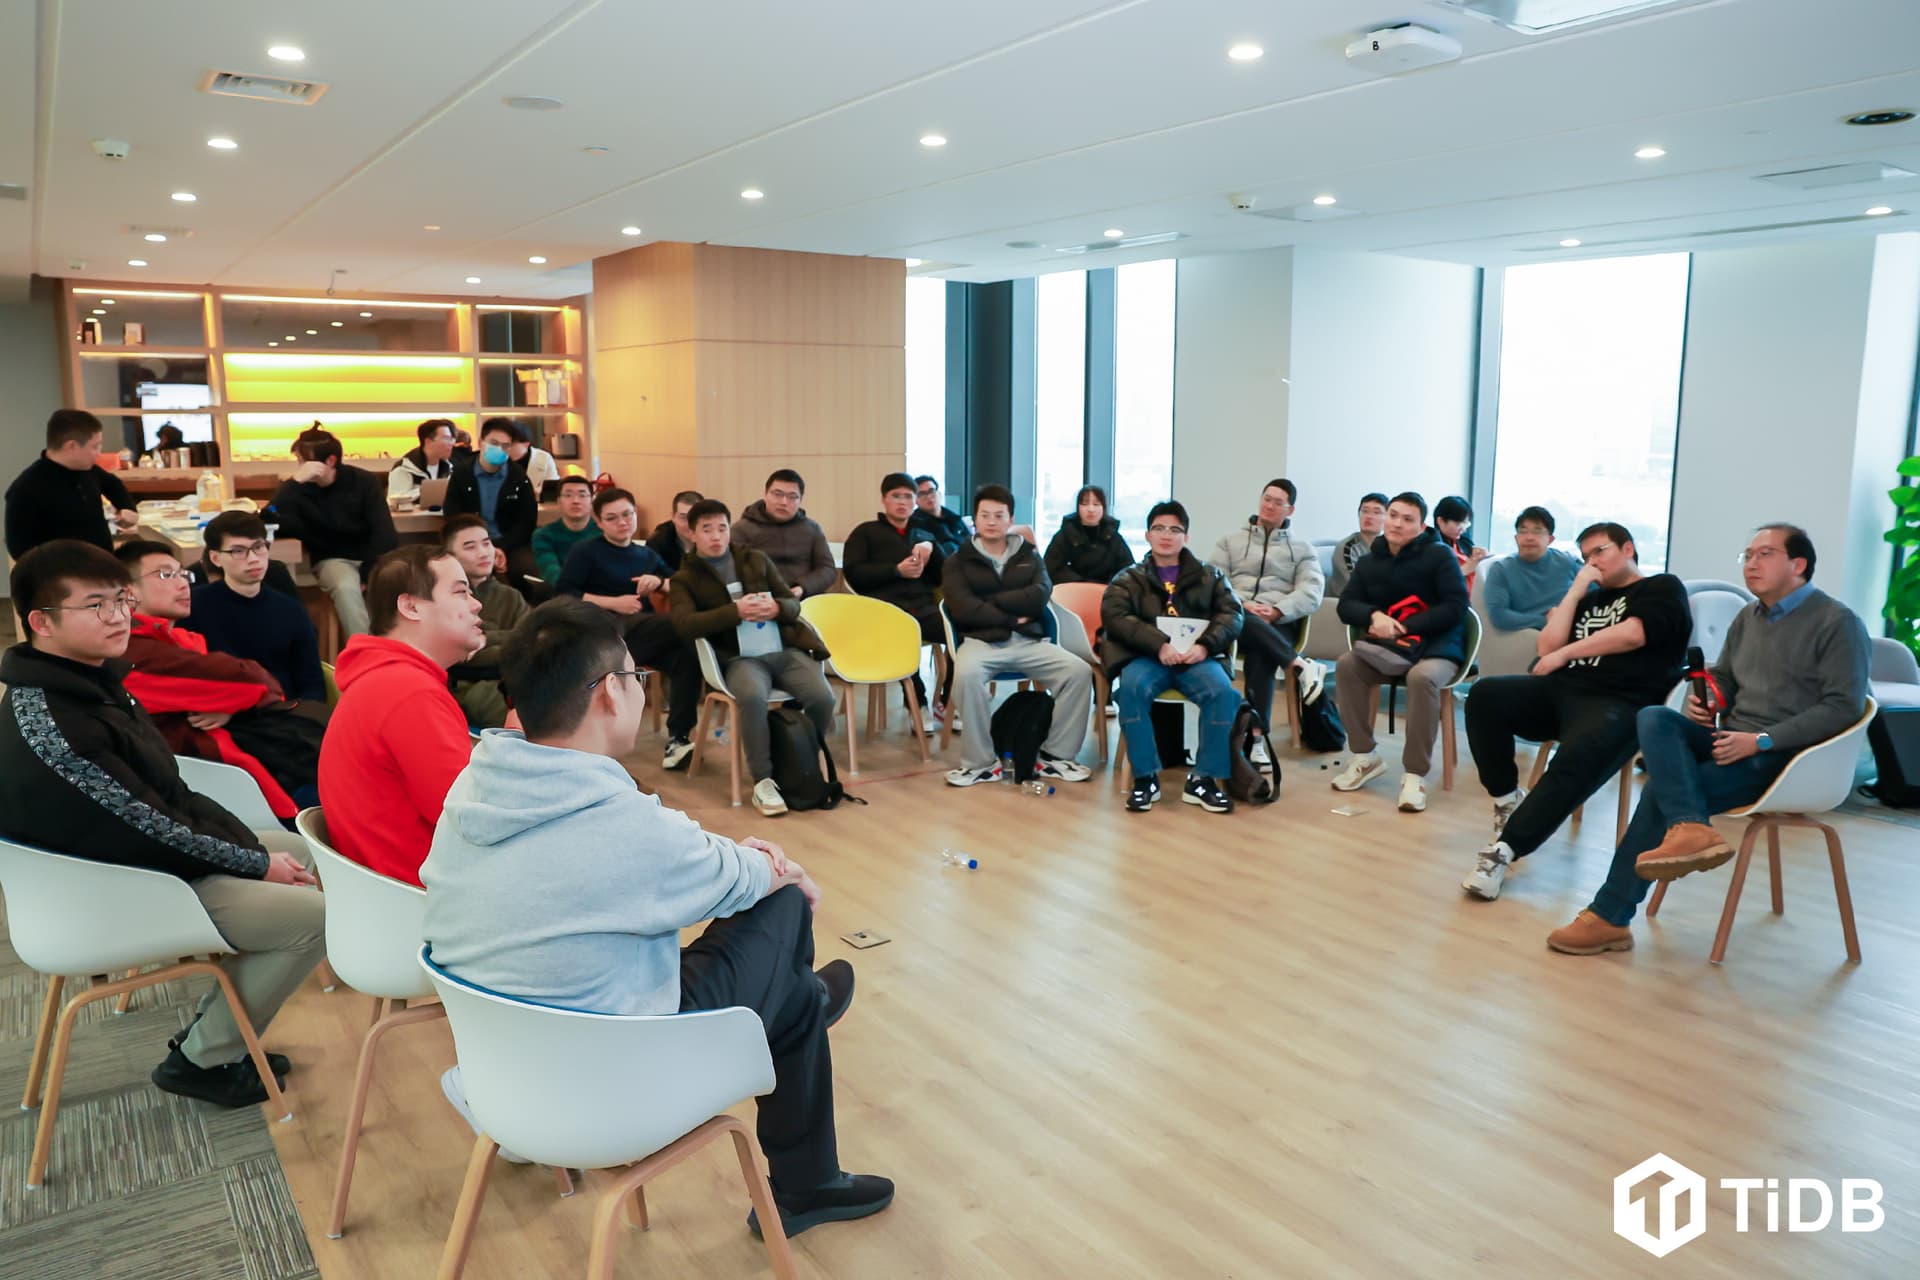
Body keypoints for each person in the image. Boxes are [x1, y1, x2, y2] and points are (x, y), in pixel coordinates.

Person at [419, 599, 892, 1237]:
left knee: (781, 969)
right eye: (637, 676)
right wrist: (786, 872)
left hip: (506, 1078)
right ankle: (802, 1128)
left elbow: (686, 860)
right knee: (779, 904)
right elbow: (742, 876)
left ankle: (796, 1006)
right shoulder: (619, 823)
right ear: (610, 692)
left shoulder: (474, 787)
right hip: (619, 1078)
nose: (641, 689)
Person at [0, 540, 323, 1108]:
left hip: (145, 863)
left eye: (121, 601)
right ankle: (203, 1059)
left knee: (306, 853)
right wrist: (253, 864)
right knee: (314, 919)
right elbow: (148, 828)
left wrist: (252, 854)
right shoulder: (55, 719)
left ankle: (214, 1030)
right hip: (115, 890)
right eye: (95, 605)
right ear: (40, 622)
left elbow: (166, 794)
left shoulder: (89, 682)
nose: (118, 617)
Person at [1549, 524, 1871, 955]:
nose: (1751, 563)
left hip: (1790, 759)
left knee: (1661, 794)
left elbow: (1843, 708)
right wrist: (1713, 697)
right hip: (1732, 739)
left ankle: (1610, 915)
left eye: (1765, 554)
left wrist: (1761, 740)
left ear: (1798, 565)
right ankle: (1690, 828)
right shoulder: (1749, 616)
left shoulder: (1837, 623)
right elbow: (1725, 676)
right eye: (1748, 554)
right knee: (1655, 717)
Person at [1460, 522, 1690, 900]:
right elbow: (1547, 648)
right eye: (1585, 557)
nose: (1592, 562)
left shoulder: (1662, 587)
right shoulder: (1589, 597)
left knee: (1579, 754)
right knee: (1485, 695)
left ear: (1628, 549)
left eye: (1600, 551)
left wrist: (1566, 653)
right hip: (1564, 691)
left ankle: (1505, 849)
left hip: (1621, 702)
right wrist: (1575, 591)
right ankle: (1506, 799)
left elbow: (1633, 634)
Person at [116, 539, 326, 821]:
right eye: (165, 575)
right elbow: (257, 682)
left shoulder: (180, 639)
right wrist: (235, 699)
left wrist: (230, 705)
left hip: (249, 754)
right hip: (216, 785)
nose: (182, 584)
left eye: (182, 574)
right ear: (129, 592)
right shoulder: (136, 651)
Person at [318, 545, 486, 886]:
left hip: (388, 889)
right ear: (411, 607)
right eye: (460, 592)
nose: (476, 604)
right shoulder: (408, 692)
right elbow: (473, 821)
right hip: (422, 895)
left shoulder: (385, 680)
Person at [669, 500, 837, 816]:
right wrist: (735, 612)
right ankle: (763, 780)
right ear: (692, 534)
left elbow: (792, 604)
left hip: (782, 649)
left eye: (722, 528)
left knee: (823, 697)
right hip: (739, 658)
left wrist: (777, 608)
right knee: (753, 697)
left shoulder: (755, 559)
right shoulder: (685, 578)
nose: (716, 536)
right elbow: (683, 625)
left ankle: (799, 758)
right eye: (707, 530)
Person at [942, 485, 1093, 787]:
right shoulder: (957, 561)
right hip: (980, 642)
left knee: (1078, 671)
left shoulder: (1029, 555)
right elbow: (962, 607)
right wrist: (1010, 615)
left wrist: (991, 601)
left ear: (1011, 519)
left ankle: (1055, 756)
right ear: (975, 519)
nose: (992, 521)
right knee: (967, 676)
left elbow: (1040, 595)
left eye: (999, 515)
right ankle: (981, 764)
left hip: (1028, 641)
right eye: (985, 515)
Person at [1102, 500, 1244, 815]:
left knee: (1223, 693)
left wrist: (1205, 646)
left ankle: (1203, 779)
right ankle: (1145, 778)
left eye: (1175, 530)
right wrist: (1158, 645)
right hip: (1148, 657)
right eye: (1159, 528)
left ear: (1186, 537)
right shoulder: (1128, 578)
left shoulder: (1210, 576)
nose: (1166, 535)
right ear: (1148, 535)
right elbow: (1115, 616)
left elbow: (1232, 615)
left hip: (1197, 658)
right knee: (1130, 690)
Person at [1331, 491, 1469, 814]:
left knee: (1422, 678)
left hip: (1438, 646)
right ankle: (1365, 755)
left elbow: (1456, 607)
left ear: (1421, 527)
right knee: (1347, 665)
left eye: (1407, 519)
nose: (1396, 523)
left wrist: (1405, 626)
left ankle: (1415, 774)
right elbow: (1346, 605)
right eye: (1392, 515)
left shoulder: (1439, 556)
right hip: (1390, 648)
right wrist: (1373, 616)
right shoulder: (1370, 560)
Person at [557, 487, 701, 770]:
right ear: (599, 522)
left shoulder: (645, 554)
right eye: (612, 518)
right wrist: (613, 602)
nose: (622, 522)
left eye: (627, 514)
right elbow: (564, 593)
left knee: (687, 656)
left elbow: (681, 583)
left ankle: (678, 739)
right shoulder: (586, 551)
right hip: (603, 636)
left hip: (643, 635)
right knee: (684, 626)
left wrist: (658, 582)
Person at [1207, 478, 1327, 736]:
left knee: (1261, 654)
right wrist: (1243, 604)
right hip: (1236, 617)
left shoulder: (1303, 549)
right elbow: (1214, 582)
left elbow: (1312, 591)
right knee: (1246, 621)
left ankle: (1256, 738)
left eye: (1278, 502)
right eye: (1266, 499)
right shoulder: (1229, 541)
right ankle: (1299, 666)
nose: (1269, 506)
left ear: (1290, 510)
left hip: (1279, 622)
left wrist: (1278, 610)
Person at [843, 473, 952, 719]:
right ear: (884, 500)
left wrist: (933, 548)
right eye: (896, 496)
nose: (902, 502)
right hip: (885, 612)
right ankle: (917, 704)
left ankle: (947, 702)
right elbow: (854, 574)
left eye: (908, 496)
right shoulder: (865, 532)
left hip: (923, 609)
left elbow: (944, 576)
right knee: (905, 635)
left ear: (915, 501)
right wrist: (895, 571)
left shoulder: (924, 533)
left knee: (961, 634)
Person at [271, 426, 398, 636]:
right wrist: (293, 483)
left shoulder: (363, 481)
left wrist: (368, 573)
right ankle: (366, 650)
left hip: (374, 557)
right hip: (332, 559)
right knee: (347, 588)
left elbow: (385, 534)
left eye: (304, 461)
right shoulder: (298, 489)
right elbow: (270, 520)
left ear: (330, 461)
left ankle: (402, 646)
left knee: (402, 582)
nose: (301, 468)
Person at [190, 512, 327, 705]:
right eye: (238, 551)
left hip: (282, 712)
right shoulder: (193, 606)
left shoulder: (291, 610)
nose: (253, 559)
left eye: (258, 547)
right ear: (215, 558)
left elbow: (313, 686)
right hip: (219, 708)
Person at [5, 409, 139, 558]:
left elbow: (113, 484)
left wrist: (127, 507)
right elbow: (20, 550)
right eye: (95, 446)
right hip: (64, 570)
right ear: (72, 446)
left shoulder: (87, 469)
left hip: (102, 562)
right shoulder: (25, 489)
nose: (99, 453)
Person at [443, 515, 530, 730]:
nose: (483, 553)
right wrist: (511, 643)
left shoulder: (511, 596)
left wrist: (485, 639)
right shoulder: (445, 597)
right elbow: (460, 656)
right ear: (450, 557)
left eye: (487, 543)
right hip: (469, 686)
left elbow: (531, 643)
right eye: (470, 547)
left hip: (517, 680)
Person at [445, 418, 539, 586]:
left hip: (509, 544)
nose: (500, 449)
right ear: (481, 442)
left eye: (506, 446)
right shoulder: (462, 474)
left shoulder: (519, 477)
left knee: (528, 571)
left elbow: (526, 522)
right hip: (469, 543)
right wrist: (482, 547)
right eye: (494, 443)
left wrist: (500, 548)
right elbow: (453, 516)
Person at [731, 470, 838, 599]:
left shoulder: (811, 528)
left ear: (801, 500)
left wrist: (802, 588)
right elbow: (731, 570)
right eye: (777, 494)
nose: (784, 502)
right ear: (765, 495)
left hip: (804, 598)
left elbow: (827, 569)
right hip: (759, 599)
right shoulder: (742, 529)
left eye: (792, 497)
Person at [1483, 505, 1580, 632]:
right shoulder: (1501, 569)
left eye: (1537, 531)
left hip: (1572, 630)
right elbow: (1499, 615)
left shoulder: (1569, 562)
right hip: (1527, 635)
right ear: (1516, 538)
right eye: (1523, 531)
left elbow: (1594, 596)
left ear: (1550, 539)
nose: (1529, 537)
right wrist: (1546, 621)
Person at [1043, 485, 1134, 585]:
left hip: (1106, 590)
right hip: (1073, 590)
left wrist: (1109, 585)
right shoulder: (1066, 534)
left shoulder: (1113, 536)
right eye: (1085, 504)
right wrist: (1080, 583)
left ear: (1103, 508)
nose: (1091, 509)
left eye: (1096, 504)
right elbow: (1051, 567)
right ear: (1078, 507)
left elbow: (1128, 569)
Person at [531, 474, 598, 583]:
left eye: (582, 495)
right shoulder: (543, 535)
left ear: (592, 501)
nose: (575, 501)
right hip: (562, 590)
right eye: (568, 495)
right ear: (559, 502)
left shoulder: (605, 532)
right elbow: (551, 572)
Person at [1328, 493, 1389, 598]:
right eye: (1365, 511)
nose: (1369, 516)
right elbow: (1354, 588)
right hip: (1343, 602)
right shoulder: (1347, 548)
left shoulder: (1389, 546)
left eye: (1376, 512)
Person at [387, 418, 458, 499]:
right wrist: (424, 490)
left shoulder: (449, 467)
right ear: (428, 442)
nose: (451, 444)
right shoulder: (405, 468)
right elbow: (394, 501)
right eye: (446, 438)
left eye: (451, 439)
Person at [1433, 495, 1489, 592]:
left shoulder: (1463, 538)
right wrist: (1465, 569)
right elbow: (1434, 582)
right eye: (1458, 523)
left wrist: (1480, 558)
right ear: (1440, 521)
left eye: (1465, 523)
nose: (1463, 529)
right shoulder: (1431, 545)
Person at [645, 489, 704, 574]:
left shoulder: (713, 539)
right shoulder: (657, 542)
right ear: (673, 517)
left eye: (695, 517)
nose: (689, 524)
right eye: (683, 518)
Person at [909, 476, 970, 557]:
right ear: (915, 500)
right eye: (922, 494)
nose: (928, 497)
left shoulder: (955, 519)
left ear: (939, 493)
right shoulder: (915, 524)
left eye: (931, 491)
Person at [504, 419, 560, 494]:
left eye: (511, 444)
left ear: (526, 444)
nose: (506, 447)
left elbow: (552, 489)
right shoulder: (497, 458)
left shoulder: (544, 458)